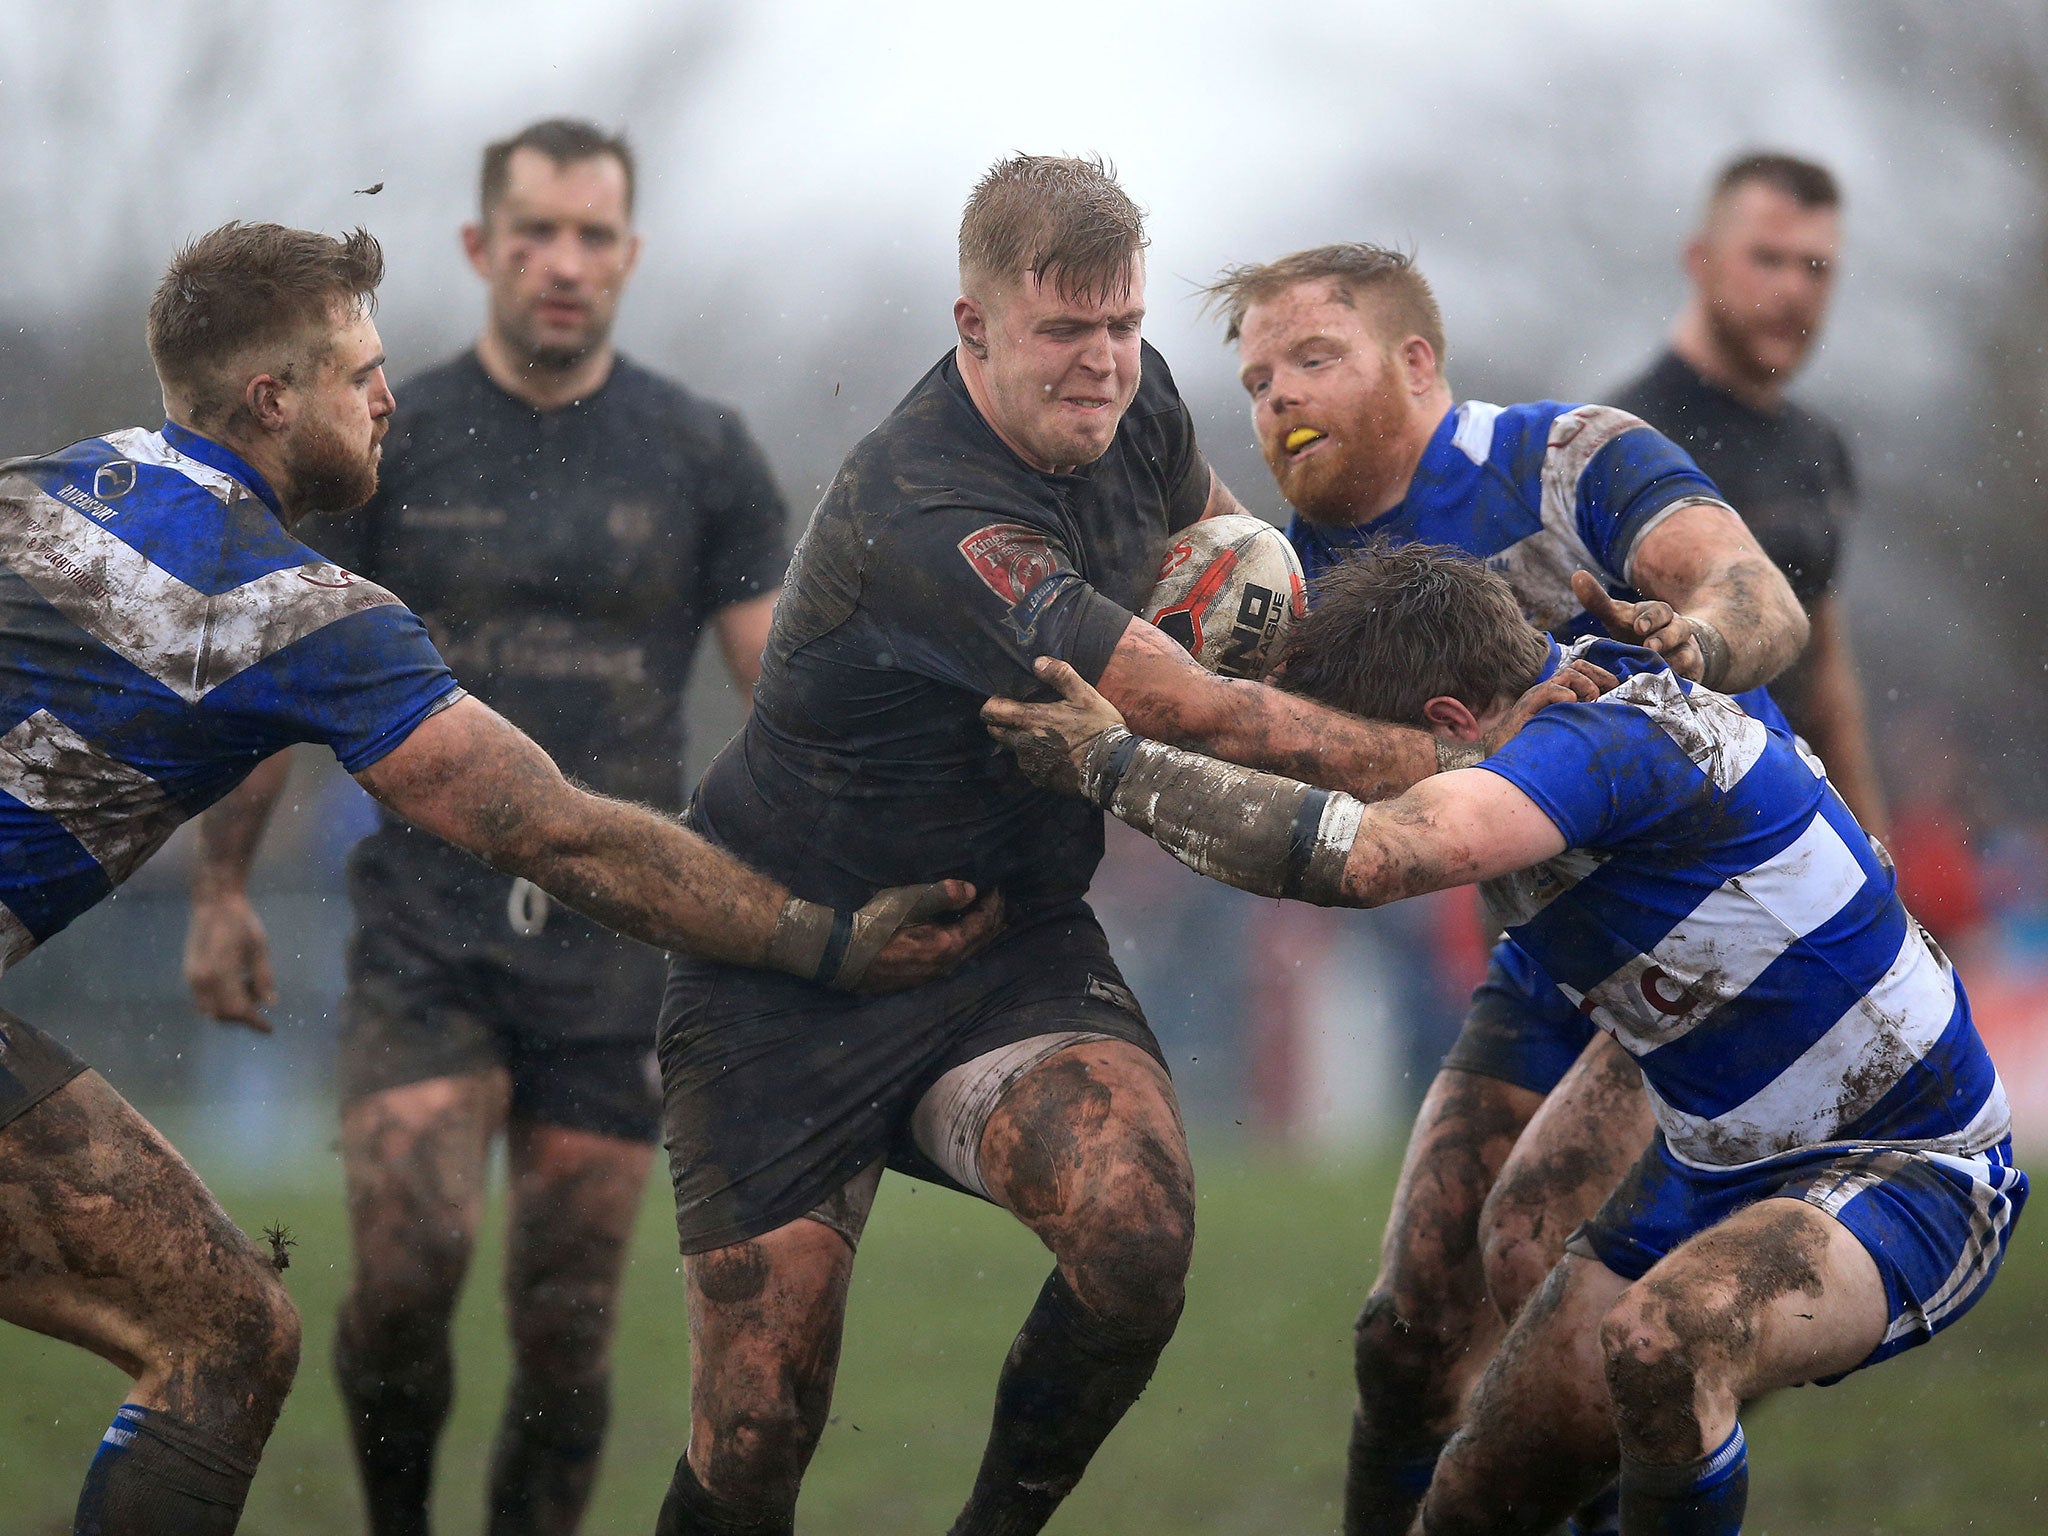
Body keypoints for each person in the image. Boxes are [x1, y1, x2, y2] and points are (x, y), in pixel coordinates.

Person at [0, 220, 988, 1536]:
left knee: (238, 1322)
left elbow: (216, 712)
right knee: (225, 1339)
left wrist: (226, 888)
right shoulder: (296, 610)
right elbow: (560, 832)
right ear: (269, 400)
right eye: (361, 373)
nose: (388, 396)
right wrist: (822, 940)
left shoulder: (44, 486)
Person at [651, 156, 1584, 1536]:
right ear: (972, 328)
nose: (1101, 366)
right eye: (1062, 333)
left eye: (1123, 326)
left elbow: (1230, 547)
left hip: (1008, 942)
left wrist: (1488, 658)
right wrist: (1487, 758)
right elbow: (1199, 712)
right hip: (784, 972)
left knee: (1136, 1235)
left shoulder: (1134, 404)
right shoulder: (934, 518)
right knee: (755, 1437)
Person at [983, 541, 2023, 1536]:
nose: (1365, 778)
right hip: (1710, 1155)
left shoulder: (1592, 746)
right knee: (1473, 1505)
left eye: (1374, 760)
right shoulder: (1564, 694)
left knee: (1661, 1346)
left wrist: (1115, 768)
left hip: (1908, 1167)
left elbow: (1371, 860)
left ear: (1446, 718)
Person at [181, 119, 790, 1536]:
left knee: (568, 1322)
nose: (563, 261)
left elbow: (779, 700)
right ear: (479, 247)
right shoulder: (390, 436)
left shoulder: (702, 452)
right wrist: (222, 889)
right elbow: (283, 661)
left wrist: (808, 874)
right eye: (535, 232)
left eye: (593, 235)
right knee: (404, 1271)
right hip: (427, 928)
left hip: (615, 941)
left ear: (629, 257)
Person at [1202, 242, 1811, 1533]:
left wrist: (1692, 634)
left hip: (1718, 949)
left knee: (1544, 1264)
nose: (1278, 401)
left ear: (1416, 360)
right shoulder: (1292, 583)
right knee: (1407, 1333)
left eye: (1314, 358)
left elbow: (1760, 597)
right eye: (1255, 380)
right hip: (1553, 959)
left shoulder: (1566, 459)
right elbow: (1354, 809)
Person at [1612, 150, 1887, 834]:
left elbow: (1827, 679)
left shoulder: (1818, 449)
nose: (1794, 288)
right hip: (1660, 851)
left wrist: (1877, 863)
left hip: (1791, 832)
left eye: (1816, 266)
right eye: (1768, 259)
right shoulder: (1626, 441)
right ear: (1700, 259)